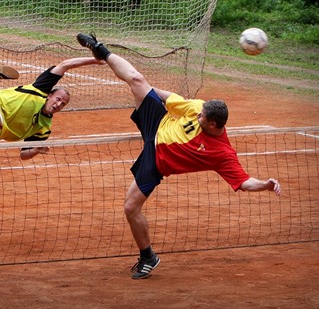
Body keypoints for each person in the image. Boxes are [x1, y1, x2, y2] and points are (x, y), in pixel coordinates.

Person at [76, 33, 282, 279]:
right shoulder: (199, 107)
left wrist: (266, 185)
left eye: (202, 118)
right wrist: (148, 91)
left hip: (156, 162)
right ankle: (101, 50)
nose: (197, 116)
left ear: (214, 125)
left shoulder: (222, 154)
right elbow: (169, 99)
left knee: (130, 208)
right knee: (137, 79)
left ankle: (147, 256)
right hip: (158, 123)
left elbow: (244, 182)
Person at [0, 57, 103, 242]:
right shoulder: (40, 88)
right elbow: (65, 65)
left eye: (63, 104)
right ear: (50, 95)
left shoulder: (44, 127)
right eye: (58, 99)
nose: (59, 104)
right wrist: (95, 59)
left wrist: (36, 149)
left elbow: (23, 155)